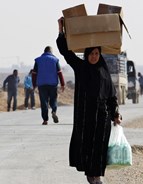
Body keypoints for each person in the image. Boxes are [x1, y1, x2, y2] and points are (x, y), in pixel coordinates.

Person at [57, 17, 121, 184]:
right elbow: (66, 52)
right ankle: (90, 174)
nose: (93, 56)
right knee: (87, 145)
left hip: (103, 116)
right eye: (91, 53)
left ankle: (96, 176)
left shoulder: (104, 72)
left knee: (99, 146)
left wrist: (115, 114)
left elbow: (112, 95)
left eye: (96, 53)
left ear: (100, 54)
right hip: (86, 117)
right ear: (86, 54)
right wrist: (61, 30)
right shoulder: (81, 68)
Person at [32, 46, 65, 125]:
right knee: (53, 100)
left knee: (44, 102)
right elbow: (59, 73)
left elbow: (34, 74)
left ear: (44, 51)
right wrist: (62, 84)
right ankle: (53, 111)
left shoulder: (38, 60)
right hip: (53, 84)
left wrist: (34, 85)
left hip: (42, 84)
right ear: (51, 52)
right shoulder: (55, 60)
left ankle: (45, 120)